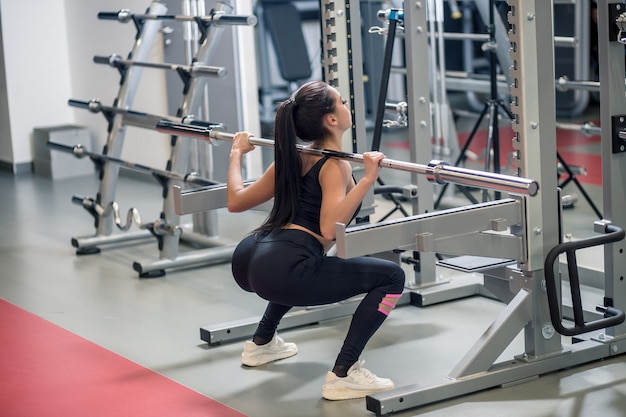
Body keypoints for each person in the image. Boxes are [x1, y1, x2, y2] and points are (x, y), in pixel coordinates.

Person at [227, 80, 405, 401]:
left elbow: (236, 201)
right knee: (393, 277)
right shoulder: (334, 164)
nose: (347, 106)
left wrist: (236, 153)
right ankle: (344, 374)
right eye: (343, 102)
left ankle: (262, 343)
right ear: (332, 120)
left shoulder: (292, 155)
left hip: (251, 258)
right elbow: (328, 228)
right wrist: (367, 179)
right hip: (283, 268)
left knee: (301, 267)